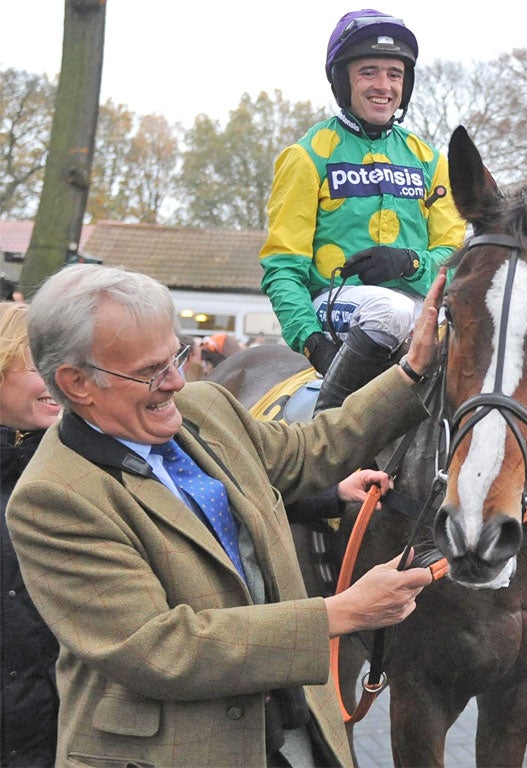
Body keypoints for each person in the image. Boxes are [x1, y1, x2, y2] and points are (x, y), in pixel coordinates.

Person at [6, 263, 447, 768]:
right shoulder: (52, 498)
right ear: (77, 383)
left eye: (177, 355)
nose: (176, 381)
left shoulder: (206, 407)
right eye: (151, 371)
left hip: (292, 731)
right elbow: (161, 649)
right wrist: (344, 611)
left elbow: (309, 450)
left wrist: (411, 370)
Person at [259, 9, 466, 415]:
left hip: (419, 309)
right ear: (343, 80)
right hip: (334, 304)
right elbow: (283, 268)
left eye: (394, 74)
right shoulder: (306, 156)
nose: (383, 86)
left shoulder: (430, 161)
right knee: (389, 311)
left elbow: (456, 259)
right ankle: (329, 436)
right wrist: (312, 340)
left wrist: (410, 262)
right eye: (368, 72)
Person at [0, 302, 62, 767]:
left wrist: (327, 496)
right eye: (40, 365)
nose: (59, 379)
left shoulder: (88, 456)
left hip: (63, 725)